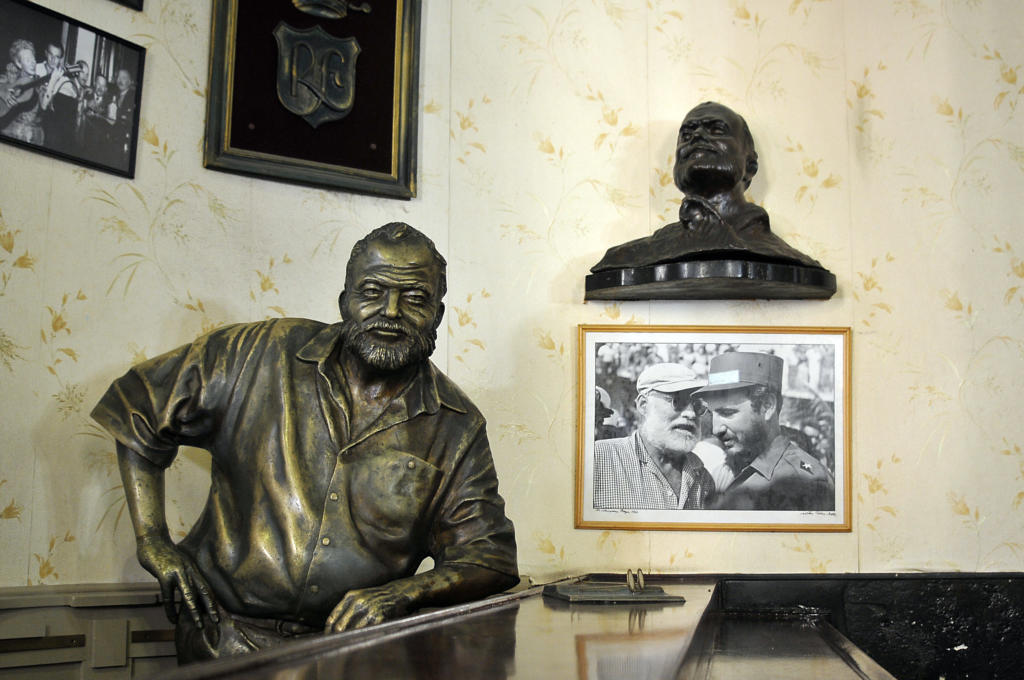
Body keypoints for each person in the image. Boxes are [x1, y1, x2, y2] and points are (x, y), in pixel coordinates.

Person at [91, 223, 518, 662]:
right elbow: (137, 404)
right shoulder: (257, 353)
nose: (390, 311)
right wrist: (152, 539)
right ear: (344, 301)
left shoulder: (455, 426)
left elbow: (490, 557)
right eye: (372, 291)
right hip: (222, 641)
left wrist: (402, 594)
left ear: (439, 315)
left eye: (415, 299)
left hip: (353, 655)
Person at [590, 101, 824, 274]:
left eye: (716, 130)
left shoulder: (784, 258)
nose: (697, 136)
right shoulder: (635, 254)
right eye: (687, 134)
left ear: (750, 165)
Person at [694, 352, 835, 511]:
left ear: (767, 406)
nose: (715, 429)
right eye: (712, 414)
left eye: (727, 413)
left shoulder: (805, 483)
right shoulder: (730, 470)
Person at [593, 363, 715, 510]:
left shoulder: (703, 478)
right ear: (644, 405)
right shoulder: (597, 460)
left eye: (697, 405)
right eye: (678, 401)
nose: (691, 413)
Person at [1, 40, 50, 144]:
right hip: (10, 133)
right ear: (19, 63)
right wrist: (3, 93)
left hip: (33, 136)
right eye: (28, 60)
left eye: (33, 59)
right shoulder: (11, 77)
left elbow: (44, 106)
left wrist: (53, 81)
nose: (33, 62)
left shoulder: (39, 82)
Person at [35, 42, 80, 154]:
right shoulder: (36, 68)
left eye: (57, 57)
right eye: (50, 54)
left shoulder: (63, 77)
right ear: (46, 53)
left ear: (61, 59)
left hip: (47, 122)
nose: (53, 60)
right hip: (32, 115)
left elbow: (74, 97)